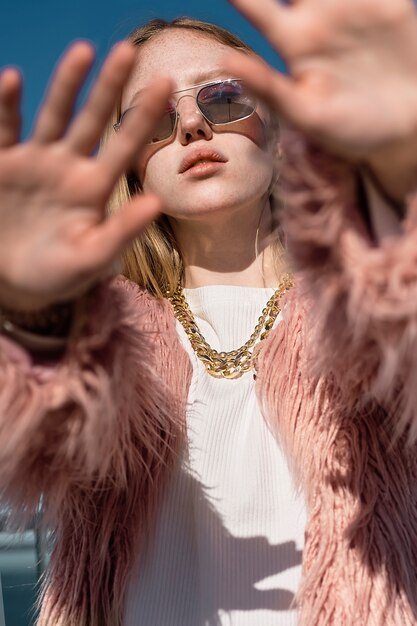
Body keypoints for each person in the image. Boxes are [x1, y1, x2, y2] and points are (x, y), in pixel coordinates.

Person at [0, 1, 417, 625]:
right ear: (132, 166)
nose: (193, 124)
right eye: (150, 120)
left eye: (225, 99)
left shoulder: (360, 313)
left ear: (278, 126)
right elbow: (49, 422)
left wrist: (393, 181)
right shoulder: (110, 331)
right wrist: (36, 315)